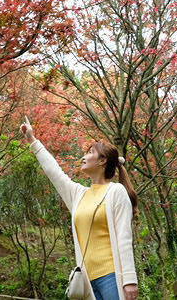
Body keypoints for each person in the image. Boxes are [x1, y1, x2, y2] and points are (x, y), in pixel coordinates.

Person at [20, 116, 139, 300]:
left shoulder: (116, 192)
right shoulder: (78, 195)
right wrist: (33, 140)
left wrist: (130, 280)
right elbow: (55, 173)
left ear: (102, 161)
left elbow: (124, 238)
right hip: (87, 282)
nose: (83, 157)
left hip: (112, 277)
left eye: (90, 152)